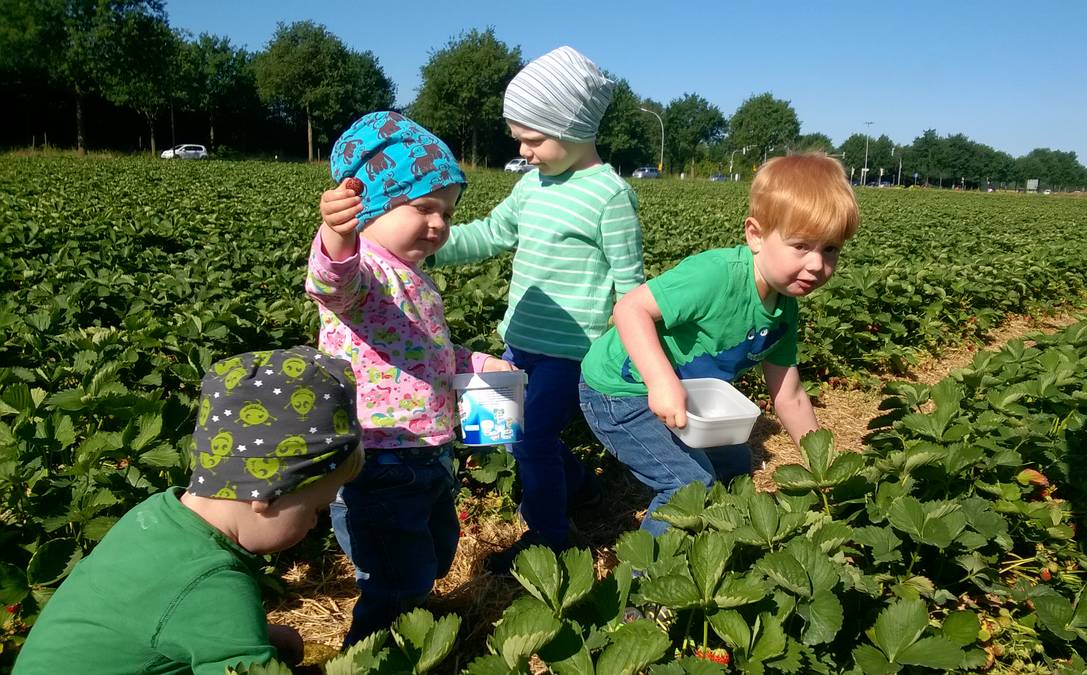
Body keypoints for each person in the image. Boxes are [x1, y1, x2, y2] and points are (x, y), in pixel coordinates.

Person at [425, 46, 645, 571]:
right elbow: (491, 234)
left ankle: (549, 535)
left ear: (572, 126)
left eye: (533, 138)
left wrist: (629, 352)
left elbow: (630, 283)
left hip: (570, 352)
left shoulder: (610, 196)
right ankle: (582, 489)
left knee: (529, 438)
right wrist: (426, 243)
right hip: (518, 338)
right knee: (500, 431)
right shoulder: (532, 184)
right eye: (519, 139)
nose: (523, 151)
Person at [13, 346, 365, 674]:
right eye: (316, 509)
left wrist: (257, 634)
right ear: (269, 491)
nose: (315, 525)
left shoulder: (155, 517)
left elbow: (157, 610)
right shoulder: (210, 582)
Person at [309, 111, 512, 646]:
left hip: (428, 450)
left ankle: (413, 605)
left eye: (446, 211)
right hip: (380, 458)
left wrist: (475, 364)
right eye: (423, 207)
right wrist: (335, 235)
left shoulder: (413, 274)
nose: (440, 223)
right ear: (369, 204)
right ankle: (375, 653)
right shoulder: (364, 270)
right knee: (398, 576)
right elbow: (332, 284)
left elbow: (425, 349)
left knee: (437, 549)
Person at [578, 153, 859, 535]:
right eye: (801, 246)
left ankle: (719, 543)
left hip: (683, 394)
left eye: (830, 249)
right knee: (689, 485)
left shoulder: (784, 309)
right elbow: (628, 309)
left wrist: (823, 468)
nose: (816, 265)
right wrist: (662, 383)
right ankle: (645, 587)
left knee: (733, 467)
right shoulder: (716, 276)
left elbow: (789, 396)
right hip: (619, 390)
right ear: (755, 235)